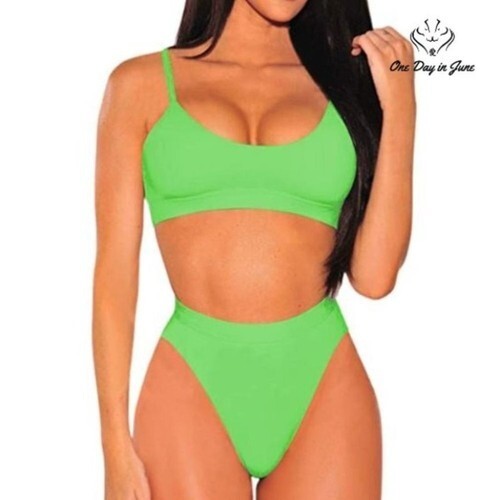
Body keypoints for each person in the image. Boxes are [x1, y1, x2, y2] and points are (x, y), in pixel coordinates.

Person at [92, 0, 416, 498]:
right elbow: (114, 277)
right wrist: (114, 446)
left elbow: (374, 279)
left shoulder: (343, 85)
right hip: (193, 377)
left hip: (323, 379)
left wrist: (402, 108)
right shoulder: (140, 85)